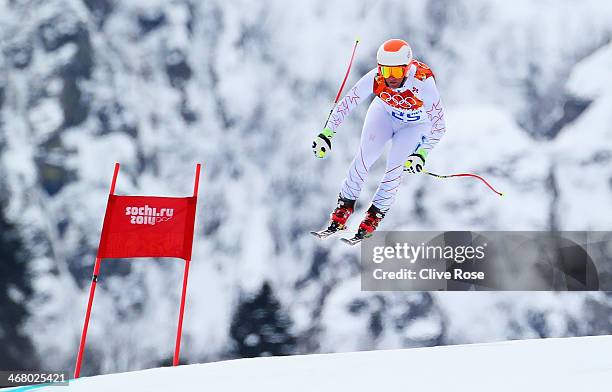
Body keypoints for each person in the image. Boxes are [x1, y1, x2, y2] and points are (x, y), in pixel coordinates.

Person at [312, 38, 447, 240]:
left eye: (396, 72)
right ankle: (344, 207)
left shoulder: (423, 82)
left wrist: (421, 153)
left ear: (407, 68)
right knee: (365, 157)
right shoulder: (376, 77)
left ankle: (374, 215)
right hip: (384, 114)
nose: (390, 78)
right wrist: (327, 133)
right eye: (385, 71)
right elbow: (349, 102)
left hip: (414, 125)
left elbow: (439, 126)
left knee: (395, 167)